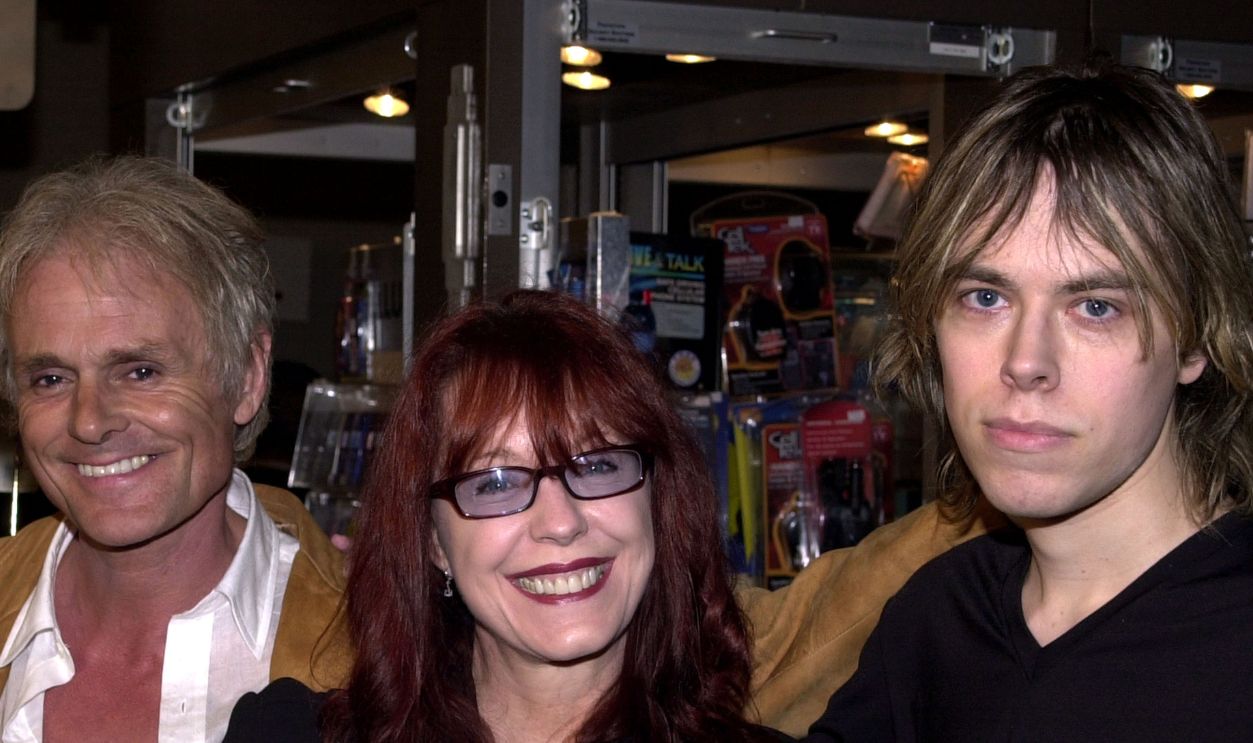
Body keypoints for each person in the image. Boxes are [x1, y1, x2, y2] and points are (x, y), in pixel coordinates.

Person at [805, 62, 1253, 741]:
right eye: (984, 297)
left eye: (1095, 307)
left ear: (1194, 340)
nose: (1024, 362)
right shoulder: (937, 619)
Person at [226, 289, 800, 742]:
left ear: (657, 499)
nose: (561, 521)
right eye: (495, 482)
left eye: (597, 466)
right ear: (431, 540)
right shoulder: (288, 732)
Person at [0, 156, 350, 743]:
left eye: (140, 371)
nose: (90, 423)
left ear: (247, 376)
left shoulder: (384, 652)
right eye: (52, 379)